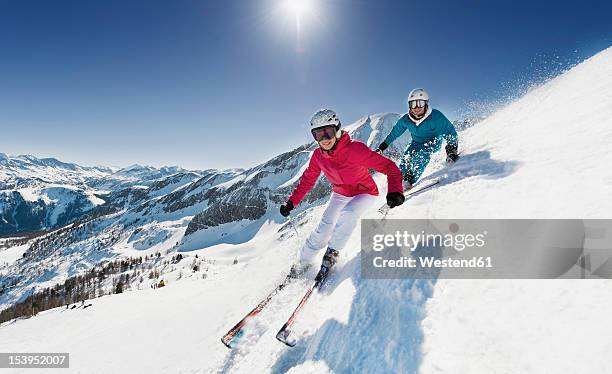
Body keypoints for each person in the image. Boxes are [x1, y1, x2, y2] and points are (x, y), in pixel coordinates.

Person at [280, 109, 405, 281]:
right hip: (340, 193)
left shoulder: (355, 150)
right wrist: (291, 203)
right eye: (318, 135)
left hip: (365, 192)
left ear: (337, 129)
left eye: (328, 132)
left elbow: (390, 167)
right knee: (323, 228)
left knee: (348, 214)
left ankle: (332, 253)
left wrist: (395, 190)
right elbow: (307, 180)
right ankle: (303, 262)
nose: (324, 139)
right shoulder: (318, 156)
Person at [376, 88, 459, 191]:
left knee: (421, 155)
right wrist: (384, 145)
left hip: (433, 141)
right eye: (413, 104)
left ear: (426, 103)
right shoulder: (406, 120)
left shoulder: (436, 116)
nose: (416, 107)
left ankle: (409, 180)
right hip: (416, 143)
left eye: (419, 103)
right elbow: (395, 133)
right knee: (406, 158)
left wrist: (452, 149)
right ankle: (398, 179)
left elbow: (450, 131)